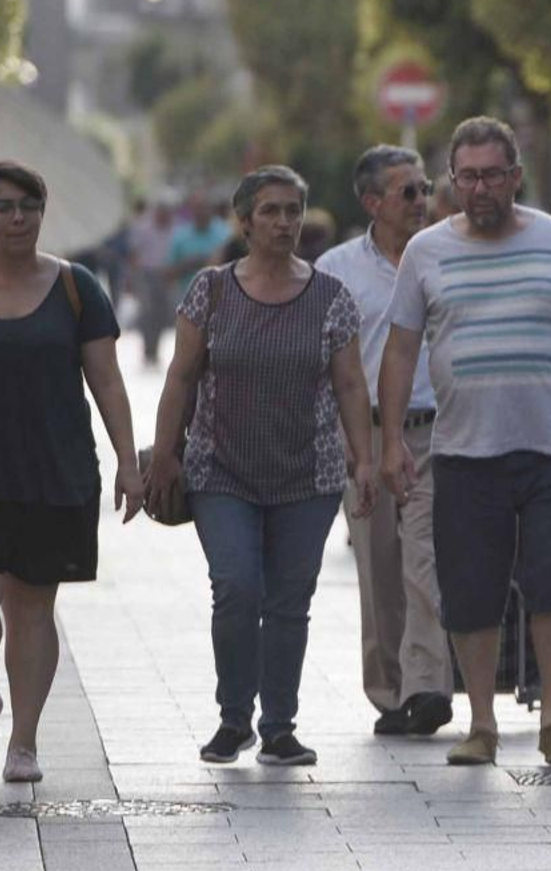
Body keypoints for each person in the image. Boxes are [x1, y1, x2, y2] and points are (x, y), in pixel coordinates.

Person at [378, 116, 551, 767]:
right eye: (469, 176)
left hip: (548, 447)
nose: (482, 187)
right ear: (452, 182)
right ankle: (482, 723)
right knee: (470, 591)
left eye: (494, 174)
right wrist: (390, 442)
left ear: (515, 176)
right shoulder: (426, 252)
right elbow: (401, 348)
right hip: (462, 452)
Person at [0, 160, 143, 782]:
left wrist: (128, 460)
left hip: (54, 468)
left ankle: (24, 740)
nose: (18, 218)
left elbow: (107, 382)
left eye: (29, 206)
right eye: (4, 207)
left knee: (30, 609)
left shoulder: (77, 288)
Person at [145, 165, 377, 768]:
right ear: (244, 222)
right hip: (221, 469)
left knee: (288, 601)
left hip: (310, 473)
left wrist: (365, 460)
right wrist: (165, 453)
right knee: (237, 589)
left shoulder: (331, 297)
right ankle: (232, 719)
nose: (283, 222)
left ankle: (278, 727)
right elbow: (182, 376)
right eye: (270, 211)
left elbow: (351, 385)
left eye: (293, 211)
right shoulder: (212, 290)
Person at [315, 146, 456, 738]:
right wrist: (346, 443)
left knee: (426, 559)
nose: (422, 202)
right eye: (408, 193)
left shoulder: (450, 255)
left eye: (425, 189)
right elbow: (322, 362)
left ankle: (428, 688)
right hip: (365, 435)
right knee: (378, 566)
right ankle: (391, 693)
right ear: (372, 202)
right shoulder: (337, 269)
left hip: (437, 429)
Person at [127, 199, 177, 365]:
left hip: (166, 276)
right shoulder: (143, 228)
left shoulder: (174, 229)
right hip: (146, 275)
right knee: (147, 312)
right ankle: (147, 348)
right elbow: (134, 254)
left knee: (162, 314)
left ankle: (155, 348)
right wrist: (132, 278)